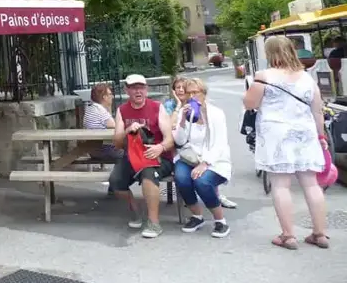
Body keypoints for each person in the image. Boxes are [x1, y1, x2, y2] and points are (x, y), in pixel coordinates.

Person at [244, 35, 329, 250]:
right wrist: (321, 136)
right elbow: (317, 110)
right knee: (311, 184)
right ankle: (319, 234)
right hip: (305, 134)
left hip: (276, 134)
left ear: (269, 53)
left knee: (281, 185)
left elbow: (250, 103)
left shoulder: (264, 76)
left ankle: (288, 235)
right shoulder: (307, 78)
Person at [109, 74, 175, 238]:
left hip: (156, 155)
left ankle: (154, 223)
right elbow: (117, 143)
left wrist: (160, 147)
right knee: (115, 182)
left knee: (148, 173)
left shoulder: (157, 107)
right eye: (133, 88)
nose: (138, 91)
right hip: (132, 155)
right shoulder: (121, 110)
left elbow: (170, 140)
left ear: (146, 89)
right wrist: (127, 130)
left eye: (141, 87)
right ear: (127, 90)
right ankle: (134, 208)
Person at [173, 78, 232, 238]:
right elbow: (179, 141)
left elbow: (220, 144)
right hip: (189, 156)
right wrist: (183, 120)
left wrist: (205, 163)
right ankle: (197, 216)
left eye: (195, 92)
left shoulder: (216, 114)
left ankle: (220, 220)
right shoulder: (185, 112)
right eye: (189, 92)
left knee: (202, 181)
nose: (192, 96)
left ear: (204, 93)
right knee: (181, 178)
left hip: (214, 159)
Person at [83, 82, 123, 160]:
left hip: (93, 150)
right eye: (110, 94)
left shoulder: (90, 107)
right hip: (104, 150)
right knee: (132, 152)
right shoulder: (100, 110)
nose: (112, 96)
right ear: (104, 97)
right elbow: (116, 126)